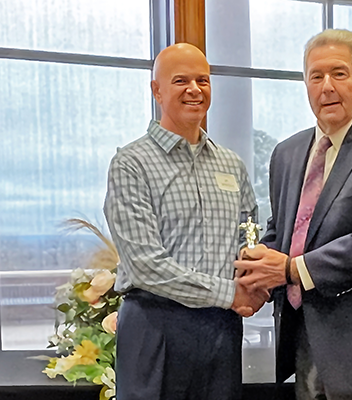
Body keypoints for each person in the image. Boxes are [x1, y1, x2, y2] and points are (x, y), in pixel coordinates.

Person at [235, 29, 352, 400]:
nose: (327, 87)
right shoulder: (287, 153)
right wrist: (255, 270)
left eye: (339, 73)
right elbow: (284, 232)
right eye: (315, 76)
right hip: (306, 344)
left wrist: (292, 270)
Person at [104, 43, 267, 400]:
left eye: (203, 80)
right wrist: (231, 293)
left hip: (221, 329)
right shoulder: (131, 164)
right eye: (181, 80)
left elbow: (249, 238)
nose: (195, 90)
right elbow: (146, 266)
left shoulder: (231, 165)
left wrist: (256, 281)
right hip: (155, 325)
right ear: (156, 90)